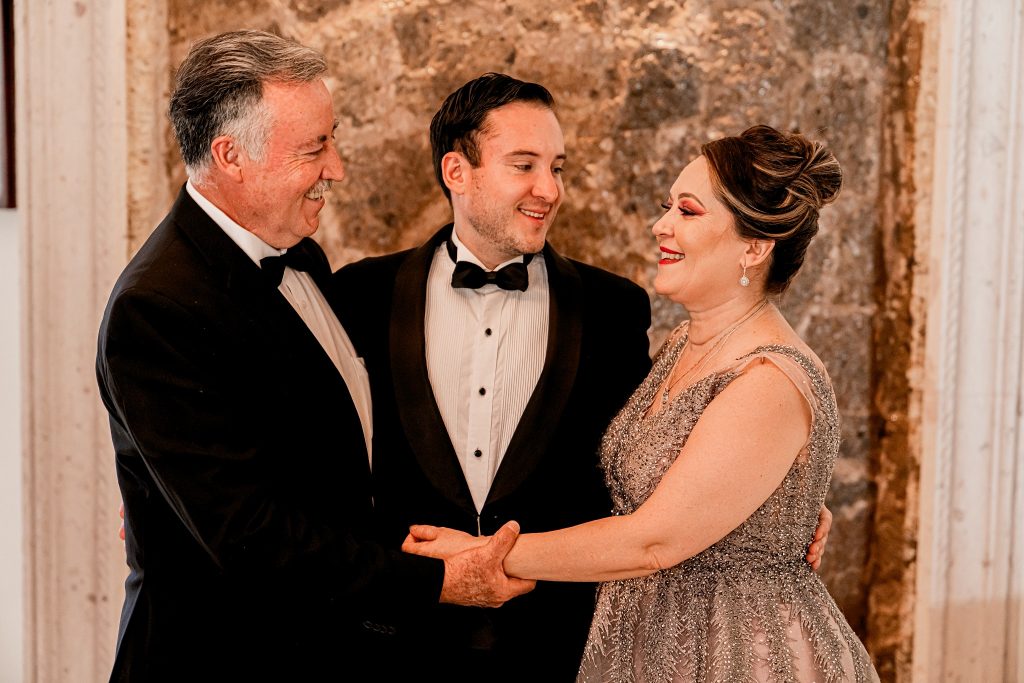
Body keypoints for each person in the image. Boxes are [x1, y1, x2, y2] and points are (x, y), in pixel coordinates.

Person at [332, 77, 833, 681]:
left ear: (754, 247)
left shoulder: (613, 309)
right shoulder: (360, 294)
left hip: (563, 646)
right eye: (525, 165)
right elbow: (676, 450)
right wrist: (767, 495)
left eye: (557, 168)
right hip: (400, 639)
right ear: (457, 172)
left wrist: (777, 501)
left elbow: (678, 503)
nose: (550, 189)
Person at [96, 31, 530, 683]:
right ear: (230, 156)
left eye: (333, 139)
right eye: (314, 147)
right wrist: (440, 581)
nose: (338, 168)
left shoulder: (300, 253)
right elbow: (250, 535)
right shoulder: (156, 308)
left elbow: (327, 455)